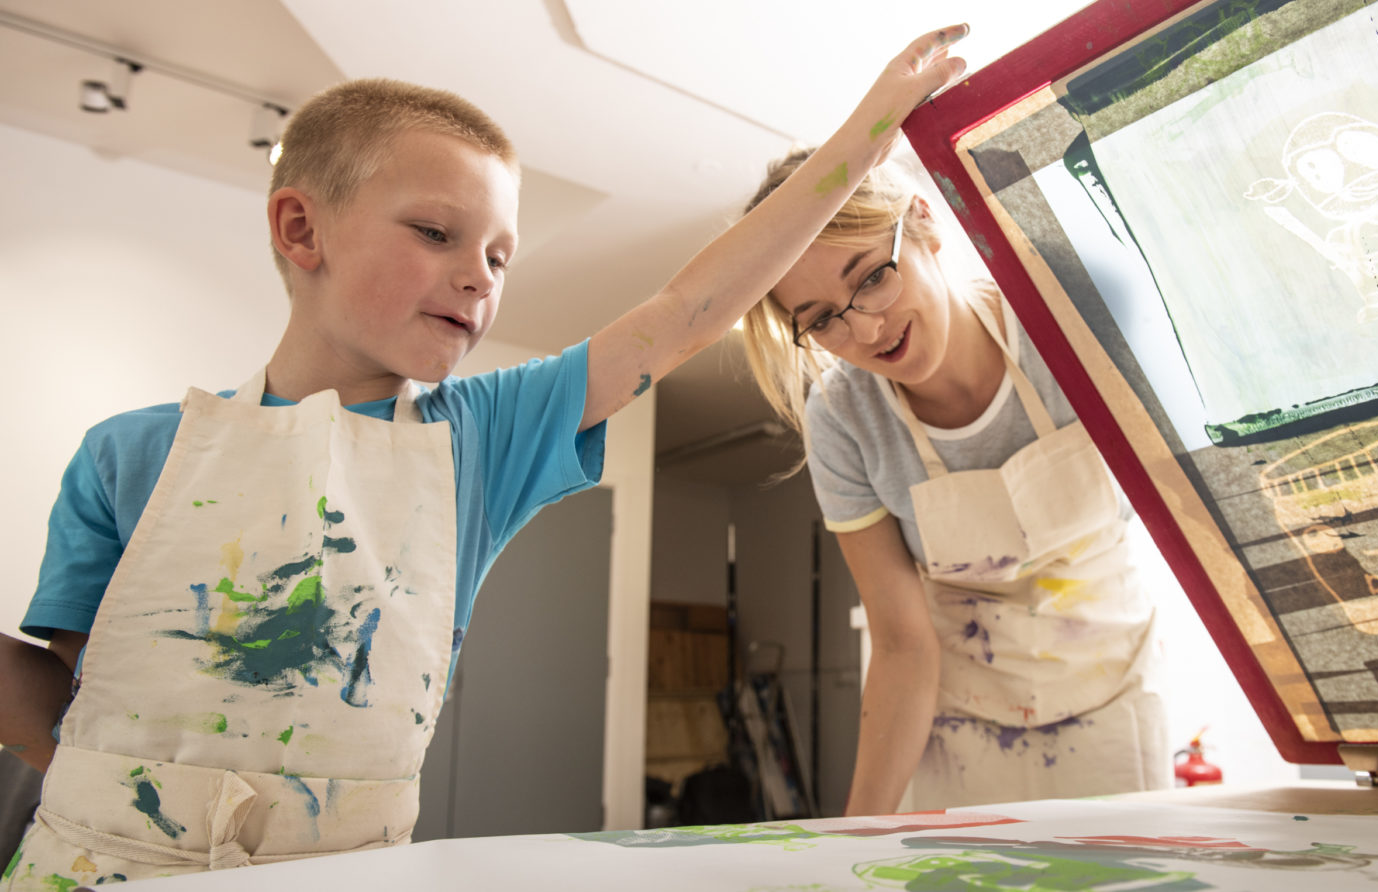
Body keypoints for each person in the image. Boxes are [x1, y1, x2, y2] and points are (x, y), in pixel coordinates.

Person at [0, 27, 968, 887]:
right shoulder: (128, 456)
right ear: (302, 229)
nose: (479, 276)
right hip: (94, 867)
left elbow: (681, 315)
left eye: (502, 256)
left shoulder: (480, 440)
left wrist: (862, 142)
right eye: (436, 232)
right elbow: (73, 714)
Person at [740, 152, 1169, 816]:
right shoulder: (844, 417)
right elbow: (904, 643)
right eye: (821, 319)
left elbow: (1202, 504)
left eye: (873, 278)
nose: (864, 329)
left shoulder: (1070, 315)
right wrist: (857, 836)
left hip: (1113, 700)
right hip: (957, 726)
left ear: (924, 224)